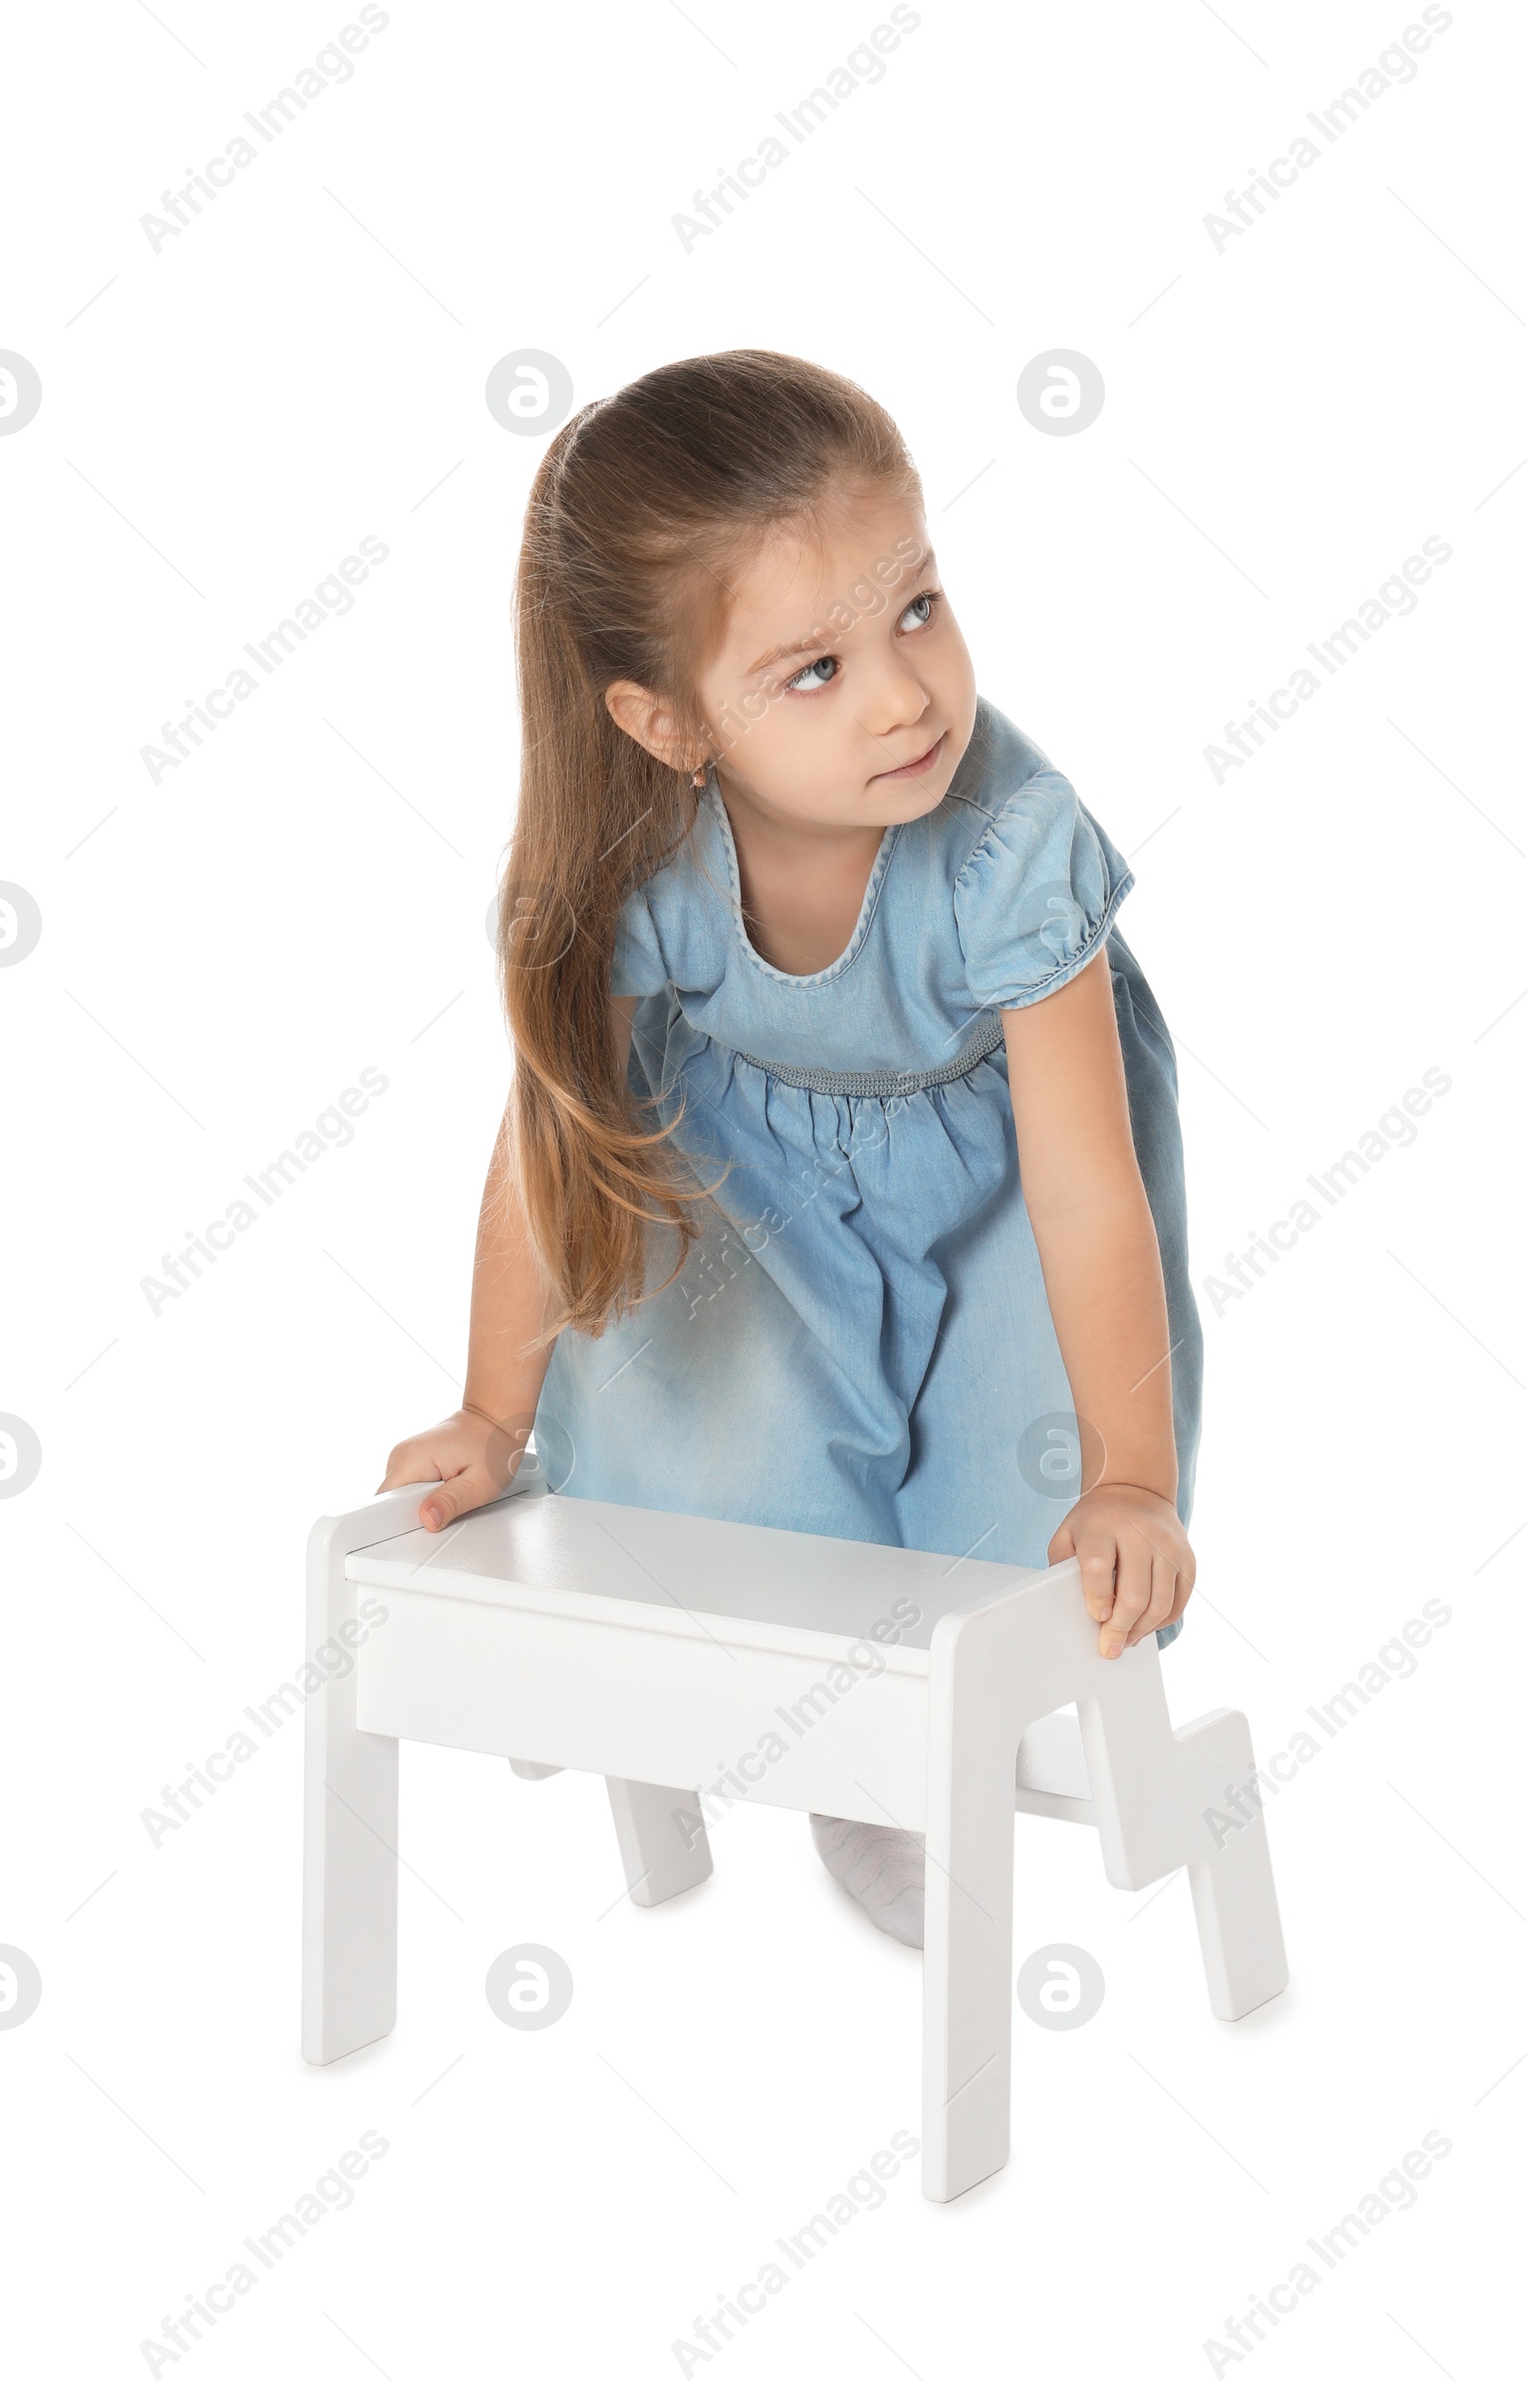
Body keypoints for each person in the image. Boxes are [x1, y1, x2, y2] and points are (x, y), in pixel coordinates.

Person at [380, 349, 1202, 1949]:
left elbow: (1091, 1193)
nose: (905, 692)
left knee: (1002, 1505)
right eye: (812, 669)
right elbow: (548, 1146)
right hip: (757, 1177)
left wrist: (1132, 1478)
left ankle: (895, 1766)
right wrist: (494, 1410)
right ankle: (674, 1682)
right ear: (670, 723)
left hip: (1002, 1186)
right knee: (730, 1459)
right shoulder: (639, 852)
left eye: (917, 609)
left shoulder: (1009, 846)